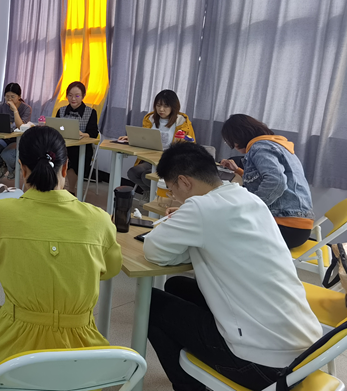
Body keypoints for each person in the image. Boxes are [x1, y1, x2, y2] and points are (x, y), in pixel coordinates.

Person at [144, 142, 320, 391]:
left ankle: (189, 387)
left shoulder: (201, 207)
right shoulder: (249, 198)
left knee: (148, 303)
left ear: (184, 182)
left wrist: (180, 222)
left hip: (261, 366)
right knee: (177, 286)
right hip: (305, 356)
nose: (174, 196)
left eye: (172, 189)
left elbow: (154, 251)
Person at [0, 126, 122, 385]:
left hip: (11, 361)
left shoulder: (0, 214)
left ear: (22, 168)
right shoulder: (101, 220)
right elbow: (111, 269)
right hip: (82, 365)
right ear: (65, 167)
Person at [220, 114, 314, 249]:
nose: (233, 146)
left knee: (220, 223)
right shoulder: (277, 145)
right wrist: (238, 171)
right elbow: (268, 177)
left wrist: (251, 205)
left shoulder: (260, 148)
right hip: (297, 226)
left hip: (283, 226)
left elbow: (276, 181)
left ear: (238, 137)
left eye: (231, 142)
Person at [120, 89, 195, 193]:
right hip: (150, 159)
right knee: (133, 173)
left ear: (173, 106)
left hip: (170, 162)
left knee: (147, 176)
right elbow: (144, 138)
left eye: (166, 106)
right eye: (158, 105)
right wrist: (132, 138)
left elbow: (190, 146)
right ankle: (151, 194)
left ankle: (157, 196)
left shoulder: (182, 122)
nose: (161, 109)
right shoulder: (150, 119)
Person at [55, 81, 99, 194]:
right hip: (63, 144)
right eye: (70, 95)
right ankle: (55, 187)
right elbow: (55, 128)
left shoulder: (91, 112)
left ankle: (71, 190)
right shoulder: (61, 110)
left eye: (77, 96)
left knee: (73, 156)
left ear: (83, 96)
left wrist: (82, 134)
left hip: (82, 147)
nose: (73, 98)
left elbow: (93, 133)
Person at [0, 82, 33, 180]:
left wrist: (15, 110)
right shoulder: (2, 107)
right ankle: (3, 165)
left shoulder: (26, 109)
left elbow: (20, 126)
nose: (9, 99)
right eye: (7, 96)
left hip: (18, 140)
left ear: (19, 97)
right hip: (4, 138)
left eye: (13, 97)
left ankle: (12, 168)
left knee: (7, 154)